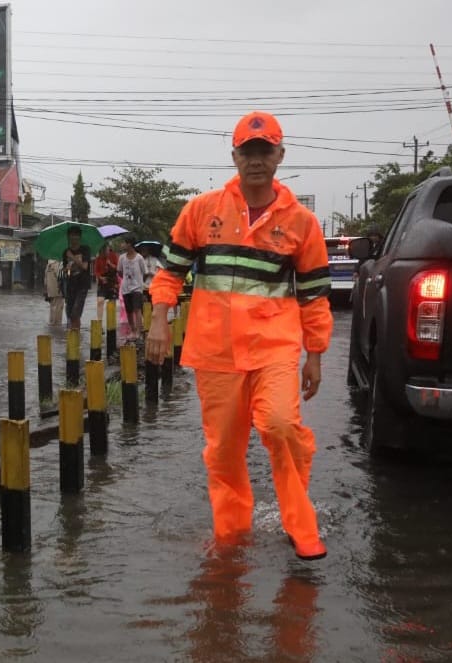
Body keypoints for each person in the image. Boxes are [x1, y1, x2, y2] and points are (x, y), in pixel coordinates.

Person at [146, 111, 333, 561]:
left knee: (281, 426)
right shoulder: (201, 210)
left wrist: (316, 355)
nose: (256, 160)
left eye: (264, 151)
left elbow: (313, 296)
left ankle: (300, 525)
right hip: (215, 351)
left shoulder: (302, 223)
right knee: (224, 450)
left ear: (279, 155)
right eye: (247, 152)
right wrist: (158, 320)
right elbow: (170, 272)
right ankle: (230, 533)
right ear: (234, 156)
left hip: (275, 347)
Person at [62, 226, 93, 330]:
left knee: (76, 311)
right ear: (68, 237)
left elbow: (85, 266)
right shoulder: (65, 252)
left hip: (82, 285)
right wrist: (68, 269)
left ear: (79, 237)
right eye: (71, 235)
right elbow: (67, 272)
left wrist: (72, 257)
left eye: (76, 235)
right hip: (71, 285)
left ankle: (76, 334)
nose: (73, 237)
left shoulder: (85, 249)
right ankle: (75, 336)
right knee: (70, 313)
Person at [117, 241, 147, 341]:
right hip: (126, 288)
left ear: (130, 244)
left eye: (124, 243)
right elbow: (120, 272)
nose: (122, 245)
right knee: (129, 311)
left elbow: (145, 272)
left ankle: (139, 331)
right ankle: (133, 330)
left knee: (137, 309)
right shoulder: (122, 258)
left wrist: (139, 282)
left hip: (137, 288)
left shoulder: (139, 258)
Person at [94, 242, 119, 324]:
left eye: (107, 249)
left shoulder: (113, 255)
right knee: (100, 300)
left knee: (112, 303)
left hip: (112, 280)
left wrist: (110, 264)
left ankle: (111, 323)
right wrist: (101, 278)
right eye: (103, 250)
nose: (105, 252)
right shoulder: (98, 258)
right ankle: (99, 322)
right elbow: (96, 271)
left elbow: (118, 268)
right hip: (102, 282)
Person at [44, 258, 64, 326]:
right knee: (59, 307)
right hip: (58, 290)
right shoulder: (57, 264)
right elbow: (60, 276)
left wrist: (47, 290)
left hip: (50, 290)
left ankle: (52, 322)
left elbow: (45, 280)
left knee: (52, 306)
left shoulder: (48, 266)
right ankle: (57, 323)